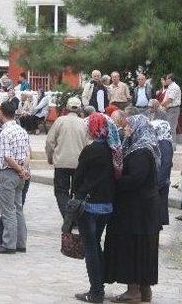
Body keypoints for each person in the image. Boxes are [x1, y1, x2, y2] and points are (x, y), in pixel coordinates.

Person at [104, 115, 161, 303]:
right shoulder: (142, 147)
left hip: (137, 211)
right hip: (141, 210)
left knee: (134, 248)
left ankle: (133, 291)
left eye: (129, 125)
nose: (126, 128)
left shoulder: (141, 151)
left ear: (138, 127)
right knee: (142, 249)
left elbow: (136, 179)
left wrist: (115, 181)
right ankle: (144, 290)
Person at [72, 113, 119, 304]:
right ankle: (99, 286)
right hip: (106, 206)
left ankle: (96, 291)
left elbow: (78, 178)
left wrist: (76, 193)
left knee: (90, 248)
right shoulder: (112, 149)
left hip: (89, 206)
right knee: (95, 244)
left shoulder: (91, 150)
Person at [0, 101, 30, 254]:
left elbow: (7, 157)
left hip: (8, 172)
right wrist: (23, 169)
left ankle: (9, 244)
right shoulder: (22, 131)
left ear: (1, 113)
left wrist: (18, 169)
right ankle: (21, 242)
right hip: (20, 173)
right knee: (18, 208)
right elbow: (27, 153)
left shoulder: (5, 133)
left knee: (8, 210)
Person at [45, 97, 90, 218]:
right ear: (80, 109)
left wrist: (50, 156)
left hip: (61, 162)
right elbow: (88, 144)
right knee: (77, 192)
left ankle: (67, 216)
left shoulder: (60, 121)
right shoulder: (84, 123)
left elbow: (50, 142)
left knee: (61, 191)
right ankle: (74, 217)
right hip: (79, 164)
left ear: (66, 108)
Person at [151, 119, 174, 227]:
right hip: (161, 182)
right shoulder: (162, 141)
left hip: (160, 183)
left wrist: (158, 183)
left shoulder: (164, 143)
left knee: (157, 212)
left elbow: (166, 164)